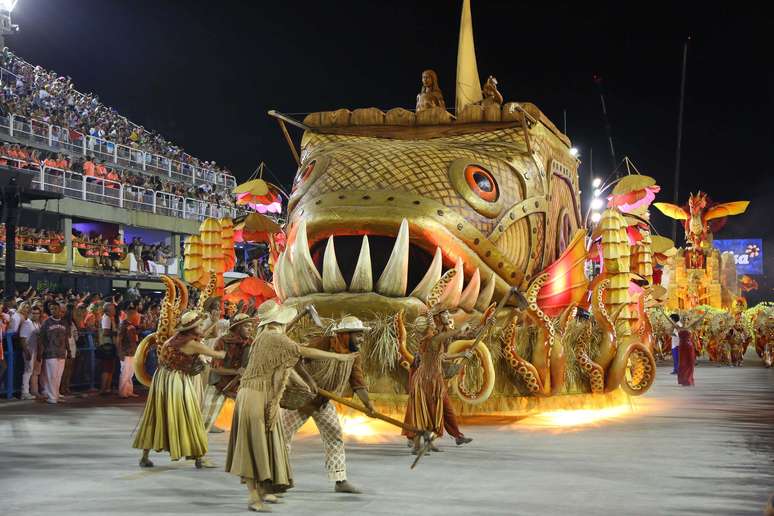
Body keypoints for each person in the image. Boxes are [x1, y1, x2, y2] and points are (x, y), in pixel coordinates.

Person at [225, 301, 353, 512]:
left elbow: (289, 364)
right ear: (279, 320)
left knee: (268, 443)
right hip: (255, 395)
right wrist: (339, 357)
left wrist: (307, 384)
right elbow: (302, 351)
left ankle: (265, 490)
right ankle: (253, 496)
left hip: (262, 395)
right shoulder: (273, 337)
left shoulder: (269, 337)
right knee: (254, 445)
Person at [281, 315, 374, 494]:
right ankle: (278, 477)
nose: (361, 339)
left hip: (323, 402)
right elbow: (295, 358)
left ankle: (340, 480)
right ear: (345, 335)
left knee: (335, 436)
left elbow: (358, 382)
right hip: (302, 400)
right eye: (358, 335)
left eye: (362, 335)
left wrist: (368, 405)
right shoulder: (322, 343)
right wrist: (307, 381)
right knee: (282, 436)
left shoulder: (354, 355)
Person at [132, 310, 226, 468]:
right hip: (177, 380)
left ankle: (144, 456)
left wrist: (214, 324)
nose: (202, 327)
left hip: (161, 378)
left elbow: (202, 336)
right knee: (190, 415)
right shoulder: (191, 344)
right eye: (199, 325)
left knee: (156, 415)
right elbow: (218, 355)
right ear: (191, 329)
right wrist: (226, 349)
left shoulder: (174, 339)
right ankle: (199, 458)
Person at [402, 309, 474, 453]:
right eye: (431, 327)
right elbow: (447, 335)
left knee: (432, 412)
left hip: (433, 379)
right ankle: (416, 445)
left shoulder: (433, 340)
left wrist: (462, 354)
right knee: (422, 413)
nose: (433, 329)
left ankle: (429, 443)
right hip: (425, 380)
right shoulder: (432, 339)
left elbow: (442, 356)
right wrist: (461, 329)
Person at [200, 313, 254, 433]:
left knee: (250, 419)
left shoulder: (251, 343)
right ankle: (193, 447)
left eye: (251, 326)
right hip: (219, 382)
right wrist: (236, 371)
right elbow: (215, 368)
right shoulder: (223, 341)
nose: (250, 329)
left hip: (239, 385)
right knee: (204, 420)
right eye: (246, 326)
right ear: (238, 327)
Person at [38, 302, 69, 404]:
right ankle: (52, 397)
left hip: (61, 352)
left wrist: (68, 350)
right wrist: (40, 352)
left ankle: (56, 395)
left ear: (60, 310)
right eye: (51, 309)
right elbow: (41, 338)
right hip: (50, 352)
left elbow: (66, 338)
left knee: (59, 376)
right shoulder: (46, 322)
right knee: (52, 375)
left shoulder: (64, 322)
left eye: (55, 308)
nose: (53, 311)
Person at [116, 302, 141, 398]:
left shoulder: (132, 324)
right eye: (133, 313)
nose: (135, 315)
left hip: (132, 351)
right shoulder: (123, 324)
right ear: (128, 313)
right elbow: (119, 339)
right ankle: (122, 392)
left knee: (130, 372)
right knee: (125, 372)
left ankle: (129, 391)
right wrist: (120, 352)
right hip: (126, 352)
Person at [19, 304, 42, 400]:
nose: (35, 315)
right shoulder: (26, 323)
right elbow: (22, 339)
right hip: (29, 350)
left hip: (36, 350)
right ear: (29, 314)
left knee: (32, 371)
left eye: (37, 313)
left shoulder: (37, 324)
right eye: (33, 313)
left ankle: (31, 391)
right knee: (28, 371)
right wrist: (26, 351)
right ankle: (24, 392)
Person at [97, 302, 117, 395]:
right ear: (108, 310)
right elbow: (105, 332)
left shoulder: (109, 318)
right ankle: (104, 388)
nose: (114, 310)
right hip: (106, 344)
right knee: (107, 367)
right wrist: (117, 333)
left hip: (108, 344)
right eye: (113, 309)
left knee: (110, 367)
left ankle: (107, 388)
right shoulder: (106, 318)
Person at [59, 303, 79, 396]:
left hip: (72, 345)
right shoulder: (61, 322)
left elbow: (76, 334)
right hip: (65, 347)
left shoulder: (71, 323)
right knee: (64, 368)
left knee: (70, 368)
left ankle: (66, 387)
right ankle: (61, 388)